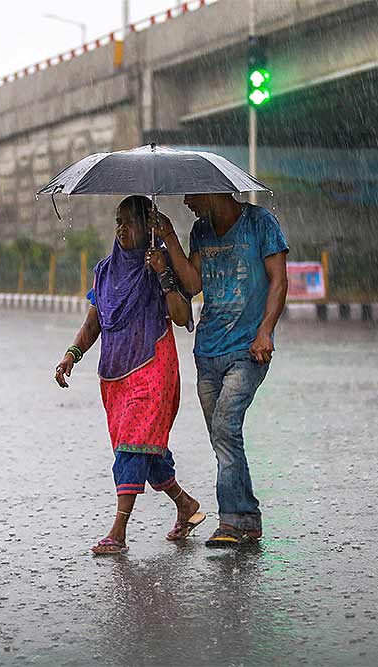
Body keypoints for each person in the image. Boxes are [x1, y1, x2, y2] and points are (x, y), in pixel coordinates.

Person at [54, 195, 206, 556]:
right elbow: (94, 323)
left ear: (147, 228)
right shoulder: (105, 272)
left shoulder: (158, 265)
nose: (123, 228)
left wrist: (163, 276)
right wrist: (71, 354)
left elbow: (183, 316)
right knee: (146, 450)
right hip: (116, 374)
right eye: (118, 221)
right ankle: (184, 505)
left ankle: (118, 532)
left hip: (153, 366)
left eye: (131, 222)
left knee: (132, 446)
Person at [149, 193, 288, 549]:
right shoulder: (201, 229)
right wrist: (169, 237)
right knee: (223, 439)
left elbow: (278, 281)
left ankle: (230, 520)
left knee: (225, 430)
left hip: (247, 351)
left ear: (212, 191)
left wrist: (265, 331)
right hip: (207, 352)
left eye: (192, 194)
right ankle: (248, 518)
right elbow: (194, 283)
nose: (186, 201)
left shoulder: (261, 224)